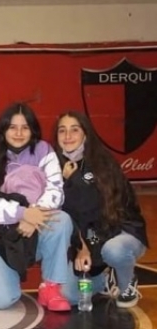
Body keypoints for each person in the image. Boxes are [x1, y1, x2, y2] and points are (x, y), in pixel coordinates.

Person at [0, 102, 72, 312]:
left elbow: (56, 191)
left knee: (61, 220)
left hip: (33, 228)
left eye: (25, 127)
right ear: (3, 129)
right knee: (2, 300)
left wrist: (33, 217)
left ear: (32, 130)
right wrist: (24, 214)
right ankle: (5, 272)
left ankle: (51, 286)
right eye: (12, 127)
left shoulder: (44, 150)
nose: (19, 133)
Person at [55, 111, 149, 308]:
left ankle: (126, 284)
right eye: (62, 131)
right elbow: (67, 214)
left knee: (113, 251)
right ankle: (106, 279)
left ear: (85, 134)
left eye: (74, 130)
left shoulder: (102, 162)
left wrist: (72, 181)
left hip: (120, 233)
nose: (68, 136)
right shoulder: (56, 166)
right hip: (90, 238)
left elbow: (93, 206)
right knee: (71, 296)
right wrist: (81, 247)